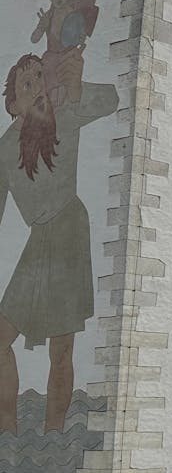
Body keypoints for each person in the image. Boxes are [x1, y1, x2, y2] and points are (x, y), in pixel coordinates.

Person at [0, 50, 117, 433]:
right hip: (39, 245)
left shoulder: (63, 117)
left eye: (39, 78)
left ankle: (53, 433)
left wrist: (77, 86)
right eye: (27, 83)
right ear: (14, 104)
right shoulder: (4, 150)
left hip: (69, 233)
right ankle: (7, 431)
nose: (38, 89)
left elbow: (113, 100)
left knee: (61, 348)